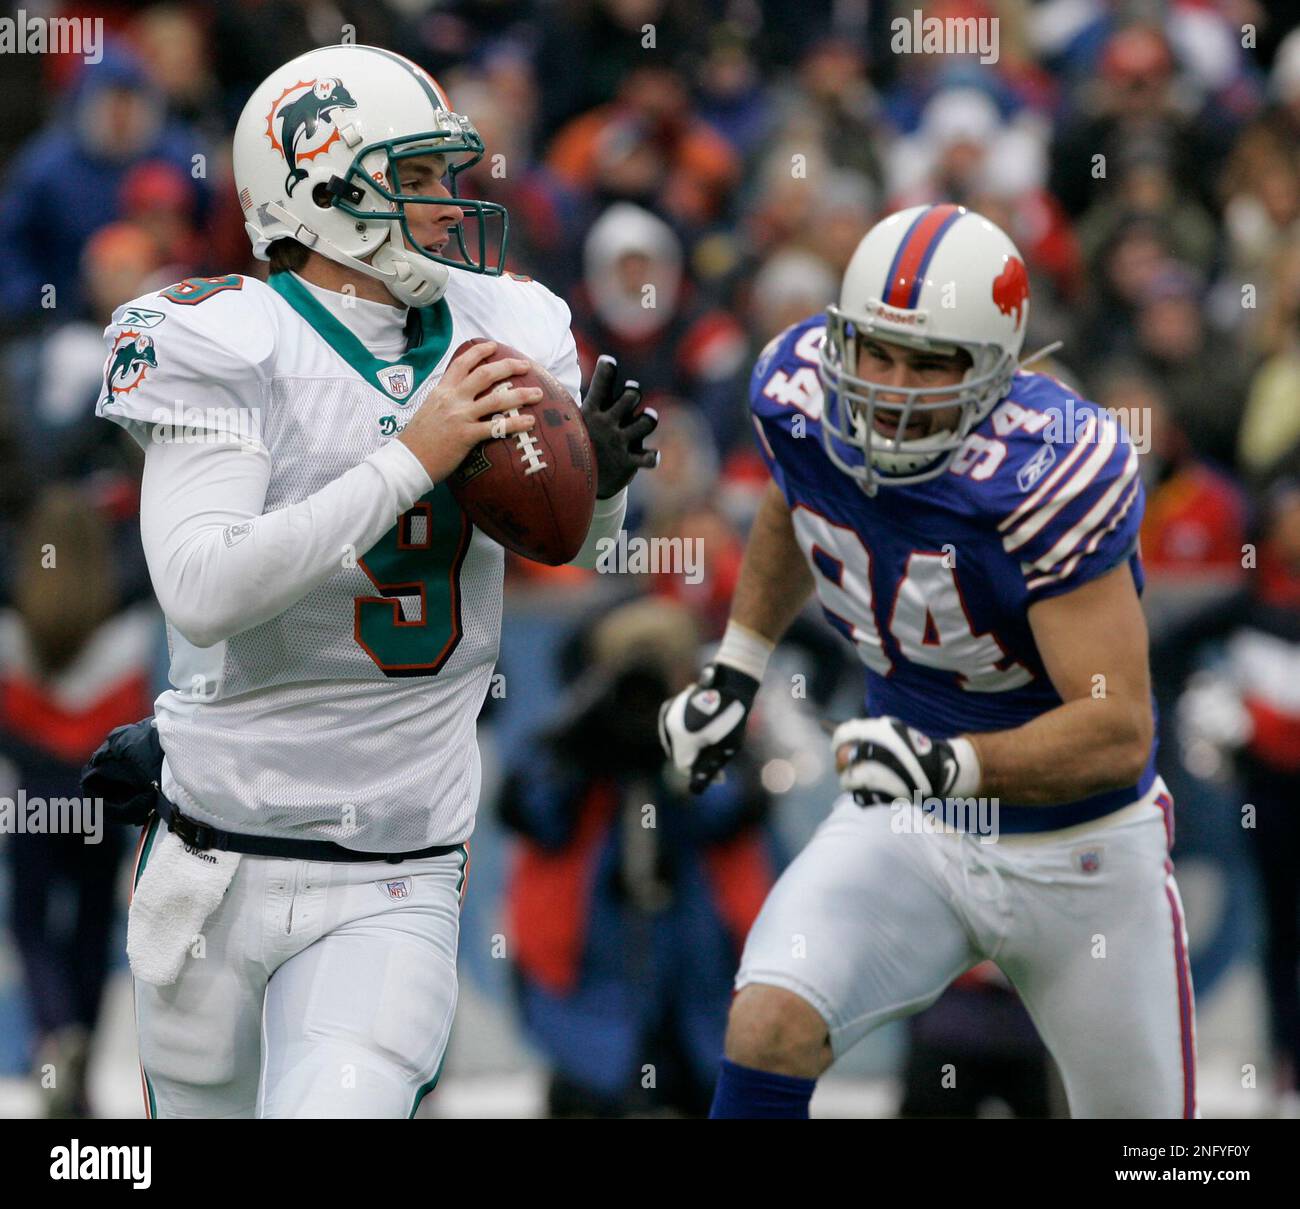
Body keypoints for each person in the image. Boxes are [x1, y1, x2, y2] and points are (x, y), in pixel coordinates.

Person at [94, 44, 657, 1120]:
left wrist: (608, 493)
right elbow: (202, 589)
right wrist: (414, 453)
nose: (452, 204)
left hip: (394, 868)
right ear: (322, 193)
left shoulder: (512, 323)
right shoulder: (230, 338)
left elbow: (571, 552)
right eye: (418, 177)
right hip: (212, 864)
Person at [660, 203, 1197, 1119]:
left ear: (994, 370)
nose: (892, 387)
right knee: (768, 1023)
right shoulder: (801, 395)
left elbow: (1116, 728)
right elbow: (799, 500)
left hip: (1081, 850)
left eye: (928, 364)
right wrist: (738, 663)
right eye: (876, 352)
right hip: (916, 825)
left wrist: (959, 763)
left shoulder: (1045, 469)